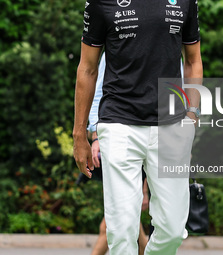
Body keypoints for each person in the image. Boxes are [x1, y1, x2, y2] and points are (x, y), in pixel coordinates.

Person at [73, 0, 202, 254]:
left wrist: (192, 116)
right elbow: (87, 69)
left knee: (173, 230)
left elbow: (193, 60)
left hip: (172, 127)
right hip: (119, 125)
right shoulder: (101, 2)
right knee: (121, 232)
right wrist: (80, 135)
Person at [88, 54, 149, 255]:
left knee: (116, 224)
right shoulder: (118, 40)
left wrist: (146, 191)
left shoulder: (166, 40)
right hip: (118, 137)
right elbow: (98, 93)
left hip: (153, 139)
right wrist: (96, 136)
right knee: (120, 222)